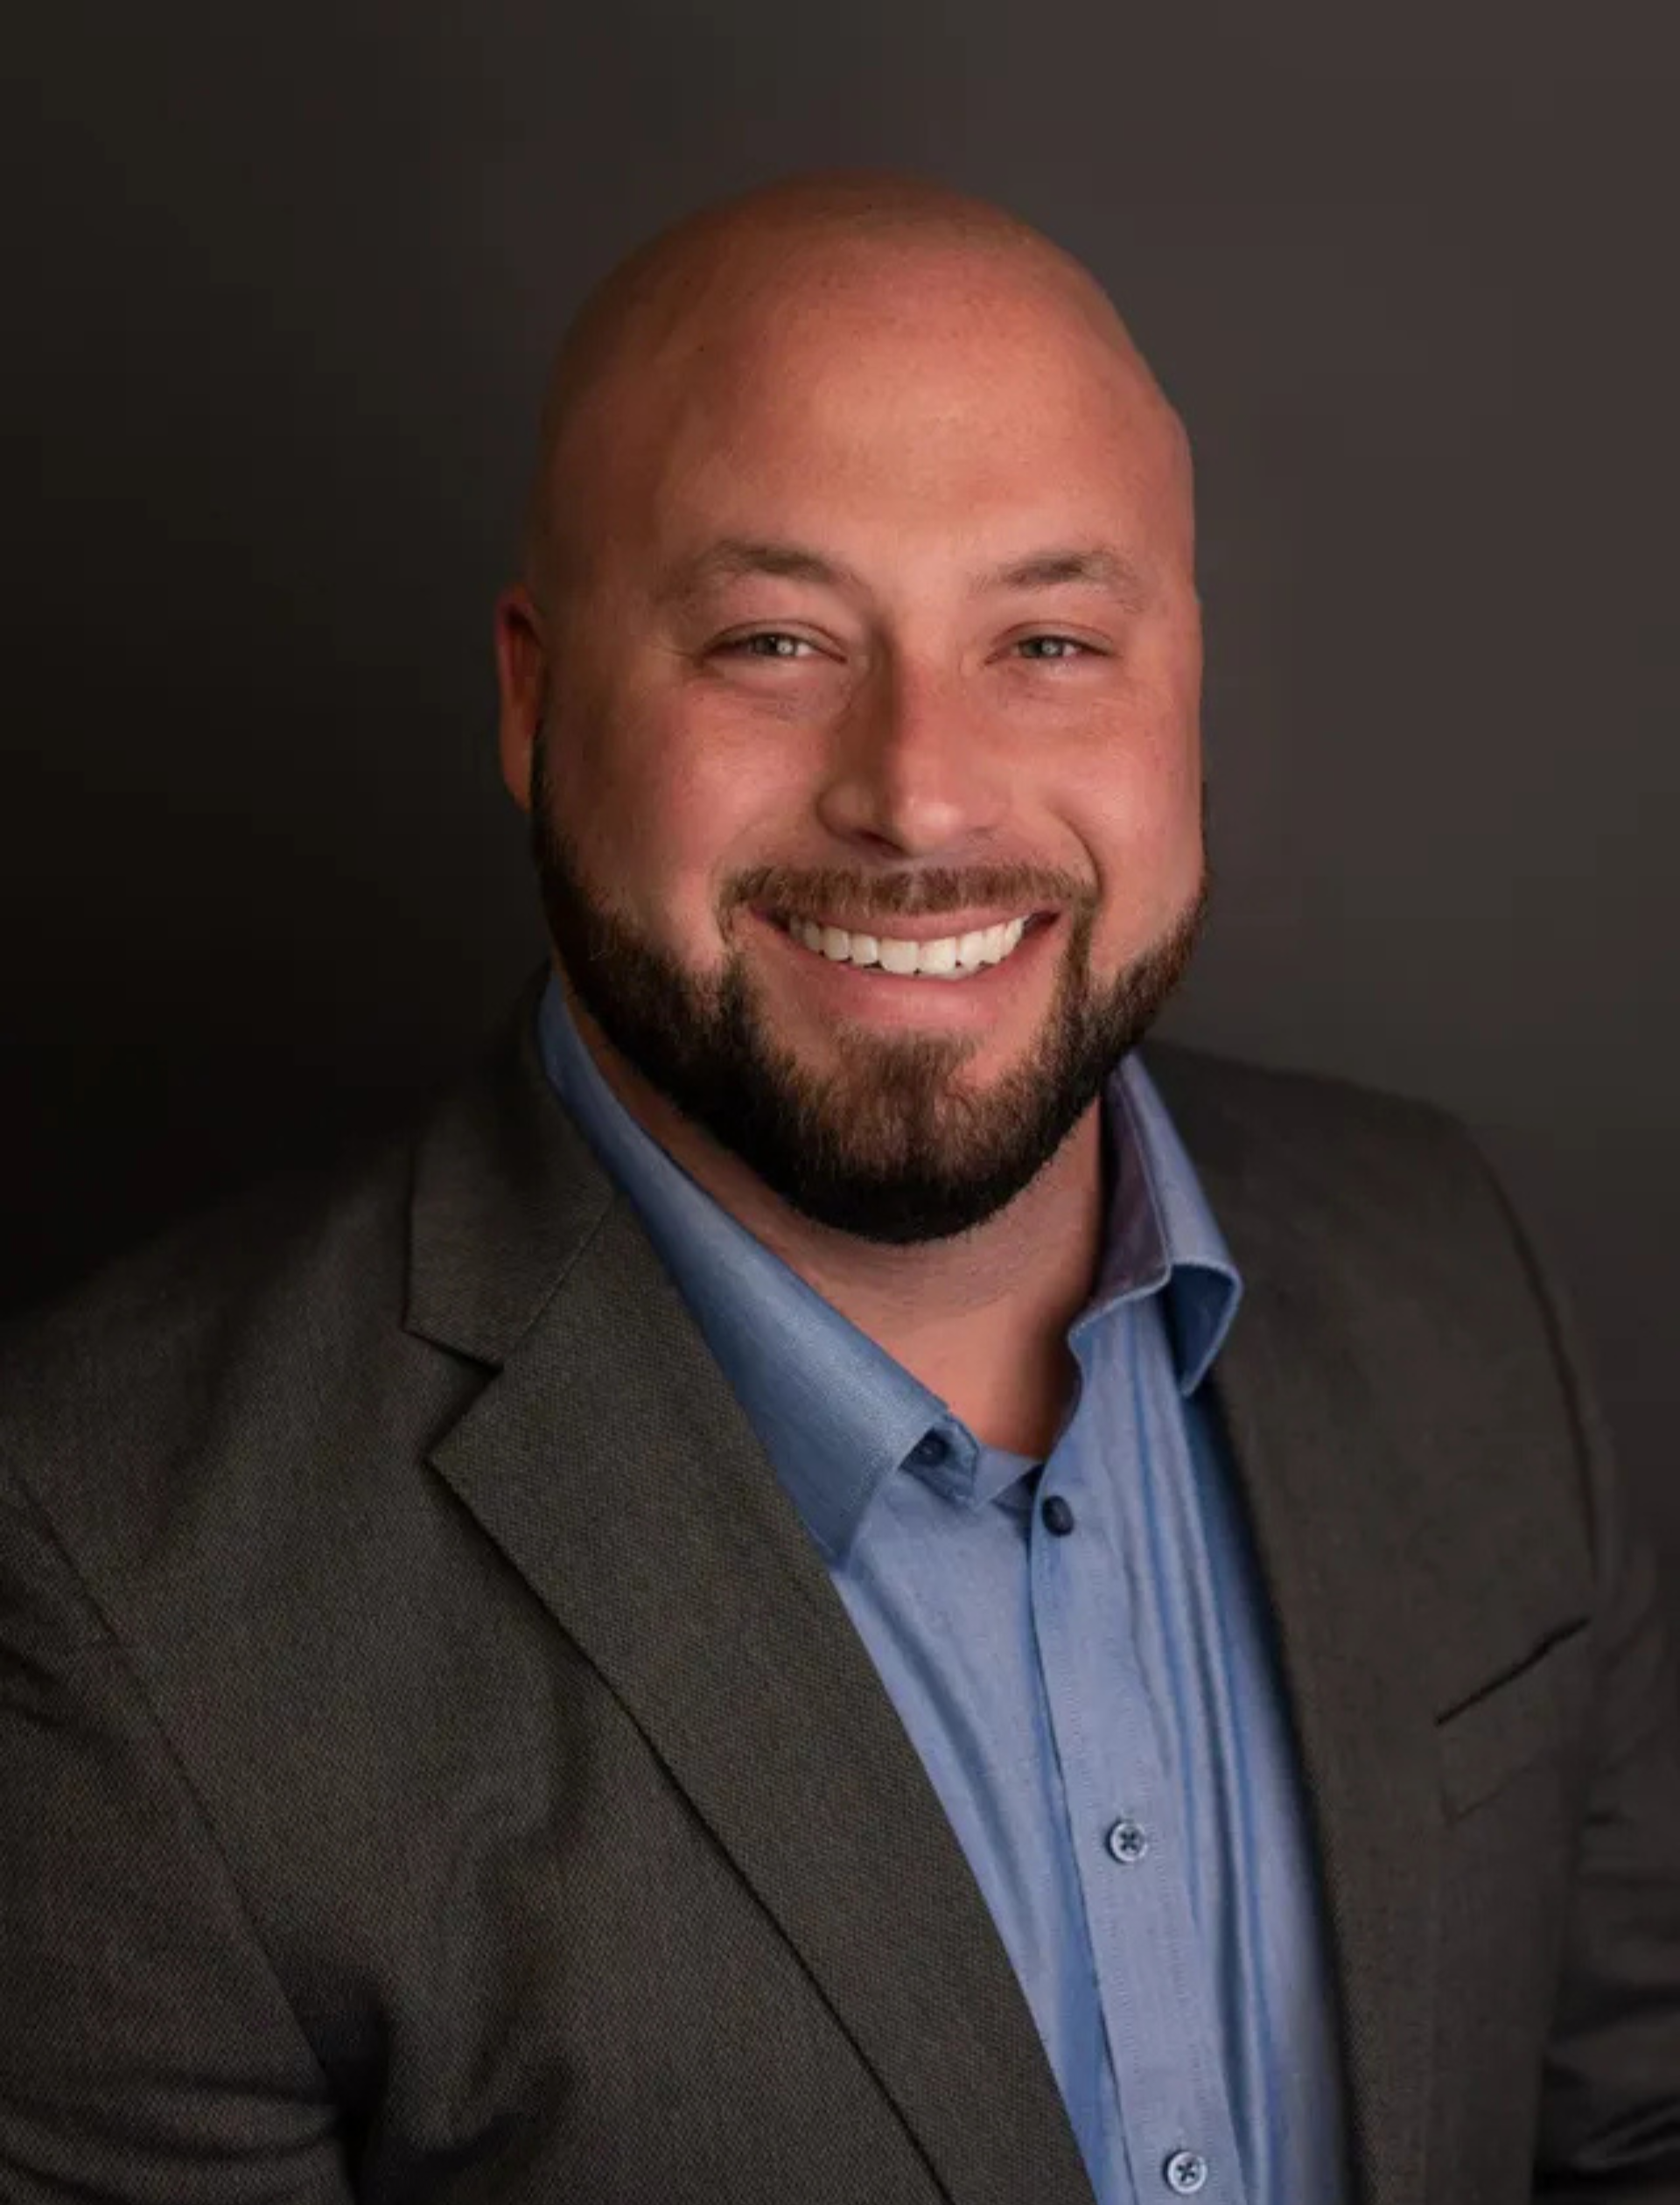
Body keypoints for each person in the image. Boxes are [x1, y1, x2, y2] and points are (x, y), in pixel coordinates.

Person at [3, 172, 1677, 2205]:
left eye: (1049, 638)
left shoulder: (1456, 1270)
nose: (924, 790)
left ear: (1190, 688)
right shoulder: (120, 1565)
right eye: (775, 639)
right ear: (534, 701)